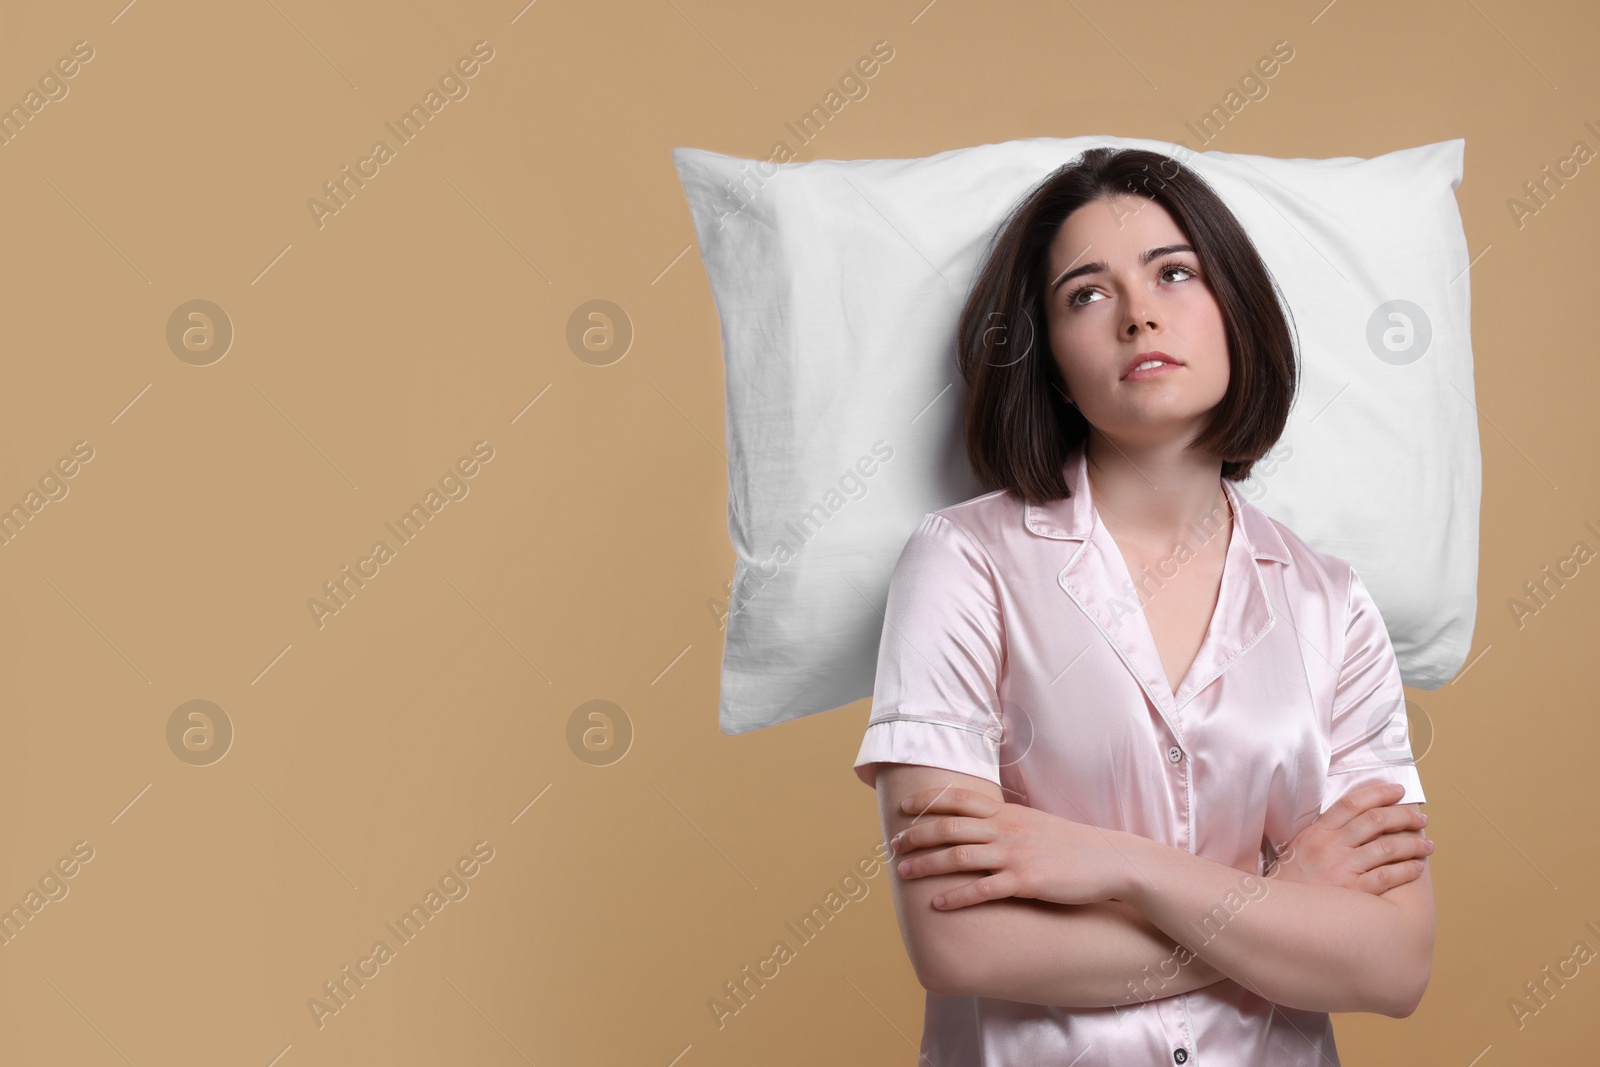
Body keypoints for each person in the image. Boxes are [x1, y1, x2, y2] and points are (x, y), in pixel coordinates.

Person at [852, 147, 1435, 1065]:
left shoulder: (1332, 603)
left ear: (1235, 308)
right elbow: (958, 942)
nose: (1139, 313)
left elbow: (1394, 964)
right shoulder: (964, 564)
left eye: (1175, 272)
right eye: (1086, 294)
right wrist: (1274, 902)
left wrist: (1122, 866)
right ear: (1049, 361)